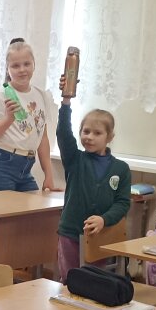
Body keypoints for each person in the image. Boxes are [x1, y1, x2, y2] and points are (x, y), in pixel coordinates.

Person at [55, 72, 132, 283]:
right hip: (71, 232)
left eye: (97, 133)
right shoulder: (75, 159)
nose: (89, 137)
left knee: (93, 283)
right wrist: (66, 100)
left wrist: (104, 219)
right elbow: (63, 133)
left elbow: (123, 203)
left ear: (110, 137)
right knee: (70, 281)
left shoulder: (121, 169)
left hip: (100, 235)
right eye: (85, 131)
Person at [0, 39, 58, 192]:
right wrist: (8, 119)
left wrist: (48, 175)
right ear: (7, 69)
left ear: (34, 64)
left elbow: (43, 138)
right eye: (15, 66)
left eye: (27, 64)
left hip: (26, 166)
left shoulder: (41, 96)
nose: (22, 70)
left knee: (33, 206)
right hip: (0, 163)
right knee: (5, 207)